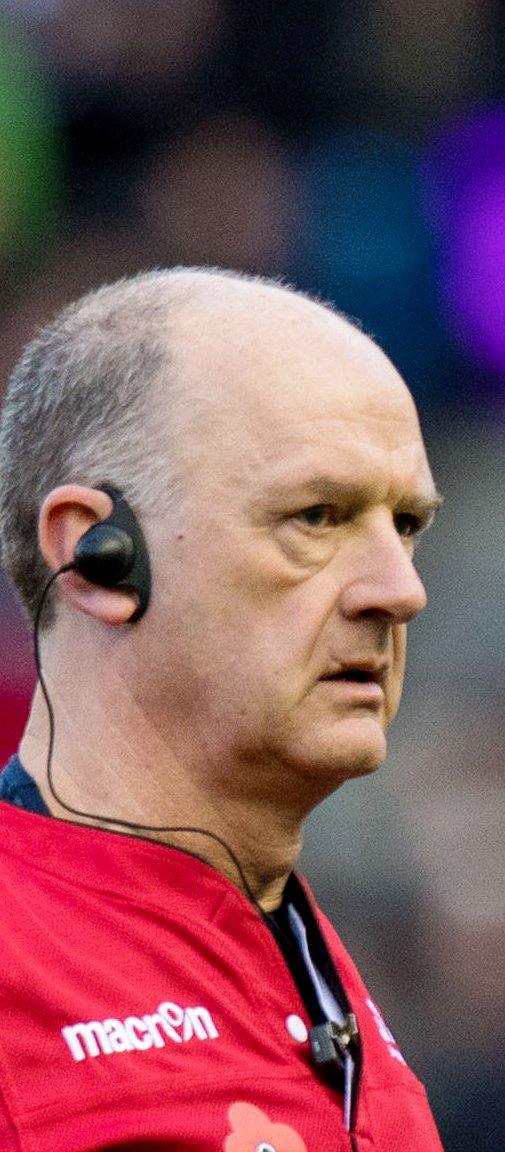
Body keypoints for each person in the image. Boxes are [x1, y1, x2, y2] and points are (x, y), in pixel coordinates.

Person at [0, 268, 445, 1149]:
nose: (401, 591)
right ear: (96, 557)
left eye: (405, 526)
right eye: (317, 516)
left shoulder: (323, 975)